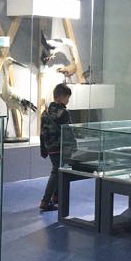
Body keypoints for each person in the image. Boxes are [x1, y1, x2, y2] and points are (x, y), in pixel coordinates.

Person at [39, 82, 75, 212]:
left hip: (50, 147)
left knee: (58, 171)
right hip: (60, 147)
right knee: (56, 172)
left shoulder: (45, 112)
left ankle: (56, 197)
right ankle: (45, 201)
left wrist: (43, 148)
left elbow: (42, 132)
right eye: (67, 97)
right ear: (61, 97)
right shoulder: (64, 113)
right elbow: (69, 131)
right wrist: (74, 145)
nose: (68, 100)